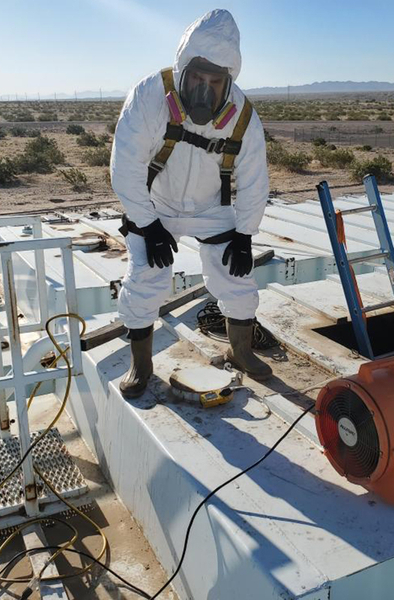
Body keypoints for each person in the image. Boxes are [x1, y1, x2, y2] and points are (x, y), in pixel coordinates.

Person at [111, 9, 272, 399]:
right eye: (197, 77)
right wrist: (147, 225)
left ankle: (241, 350)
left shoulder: (242, 116)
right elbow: (125, 166)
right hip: (155, 205)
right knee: (146, 279)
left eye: (214, 81)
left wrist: (245, 234)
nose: (204, 88)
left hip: (209, 209)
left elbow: (254, 180)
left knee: (236, 277)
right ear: (184, 68)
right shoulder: (149, 95)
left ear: (227, 80)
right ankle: (142, 364)